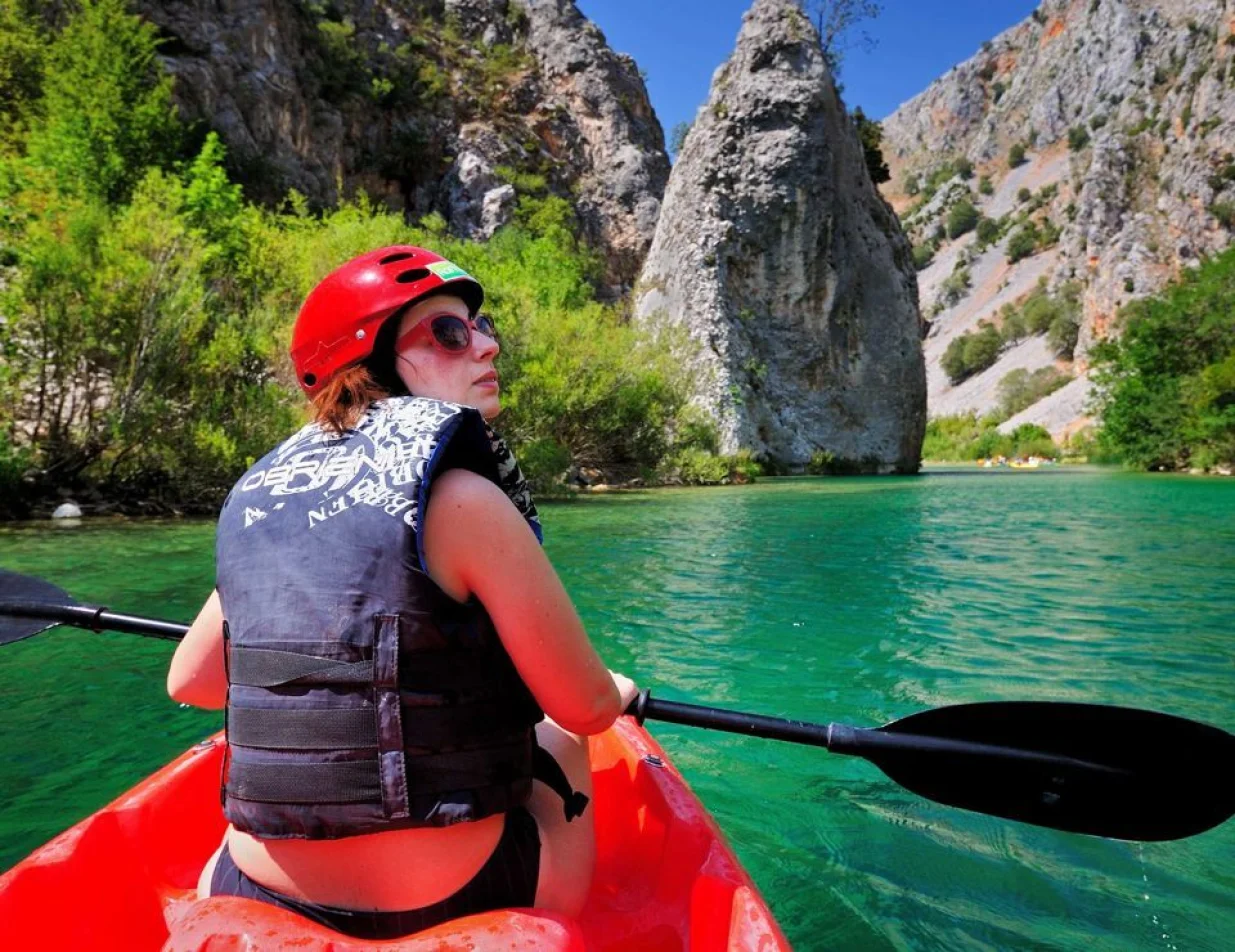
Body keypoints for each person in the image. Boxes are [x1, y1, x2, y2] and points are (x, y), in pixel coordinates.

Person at [167, 245, 639, 940]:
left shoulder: (264, 500)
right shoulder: (463, 498)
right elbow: (586, 707)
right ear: (375, 362)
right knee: (562, 736)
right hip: (447, 899)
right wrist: (614, 693)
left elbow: (193, 683)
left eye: (480, 327)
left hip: (246, 884)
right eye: (450, 331)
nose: (486, 343)